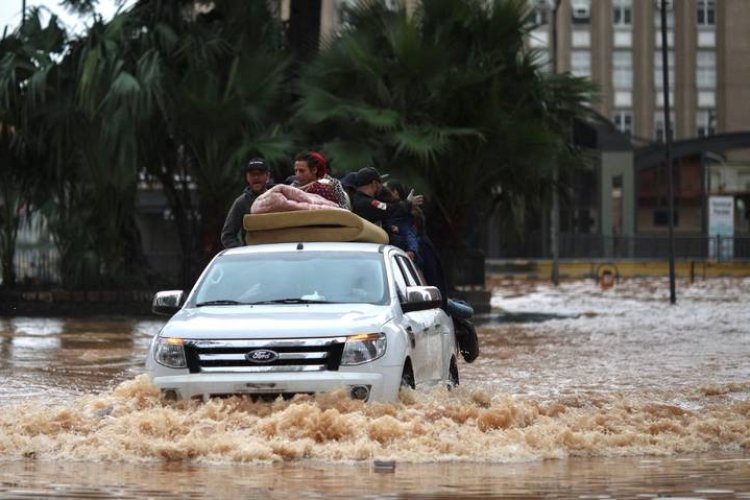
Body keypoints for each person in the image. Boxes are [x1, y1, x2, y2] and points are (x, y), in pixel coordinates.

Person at [351, 167, 424, 233]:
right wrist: (409, 203)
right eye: (380, 183)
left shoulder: (362, 200)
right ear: (374, 183)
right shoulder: (368, 203)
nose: (381, 186)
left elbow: (390, 205)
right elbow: (389, 209)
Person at [221, 158, 270, 248]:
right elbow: (227, 236)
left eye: (260, 174)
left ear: (267, 176)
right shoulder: (241, 203)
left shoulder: (278, 198)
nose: (256, 177)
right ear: (247, 177)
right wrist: (243, 251)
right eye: (252, 174)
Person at [380, 179, 420, 263]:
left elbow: (409, 232)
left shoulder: (402, 213)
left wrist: (411, 251)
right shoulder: (383, 208)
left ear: (396, 192)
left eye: (387, 190)